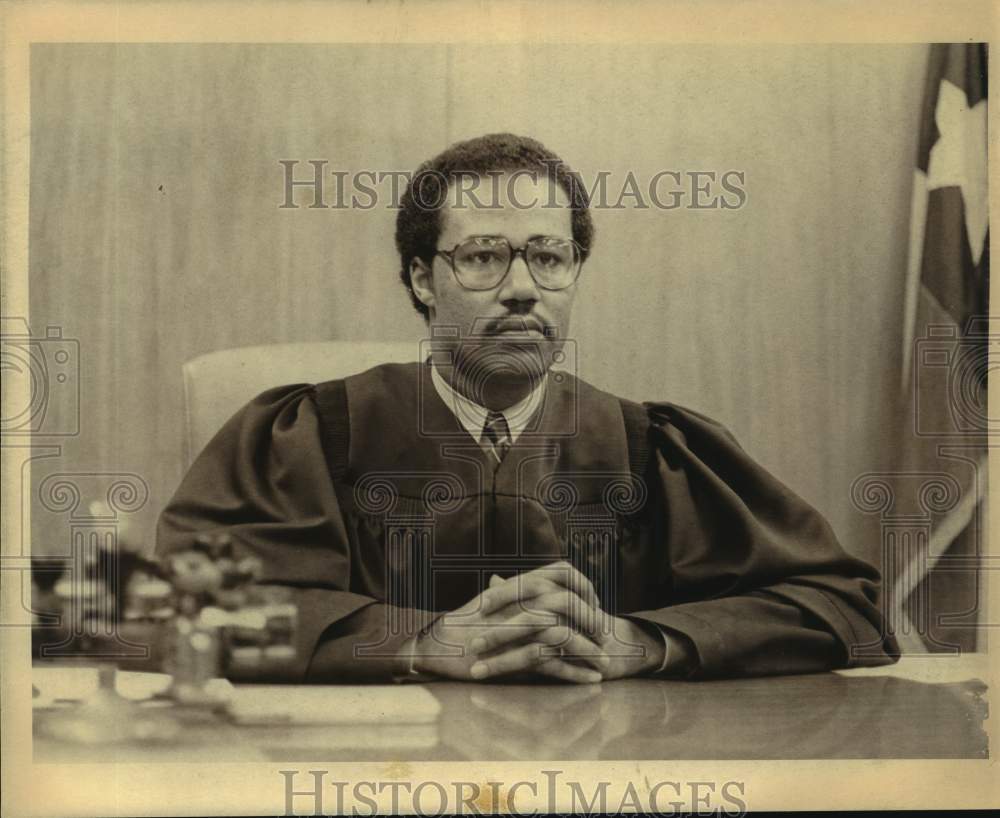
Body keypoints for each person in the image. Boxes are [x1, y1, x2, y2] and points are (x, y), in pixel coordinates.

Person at [157, 133, 897, 684]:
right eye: (483, 255)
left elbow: (844, 606)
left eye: (549, 256)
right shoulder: (311, 434)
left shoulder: (646, 448)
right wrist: (414, 642)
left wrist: (645, 643)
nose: (522, 287)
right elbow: (170, 614)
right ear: (422, 278)